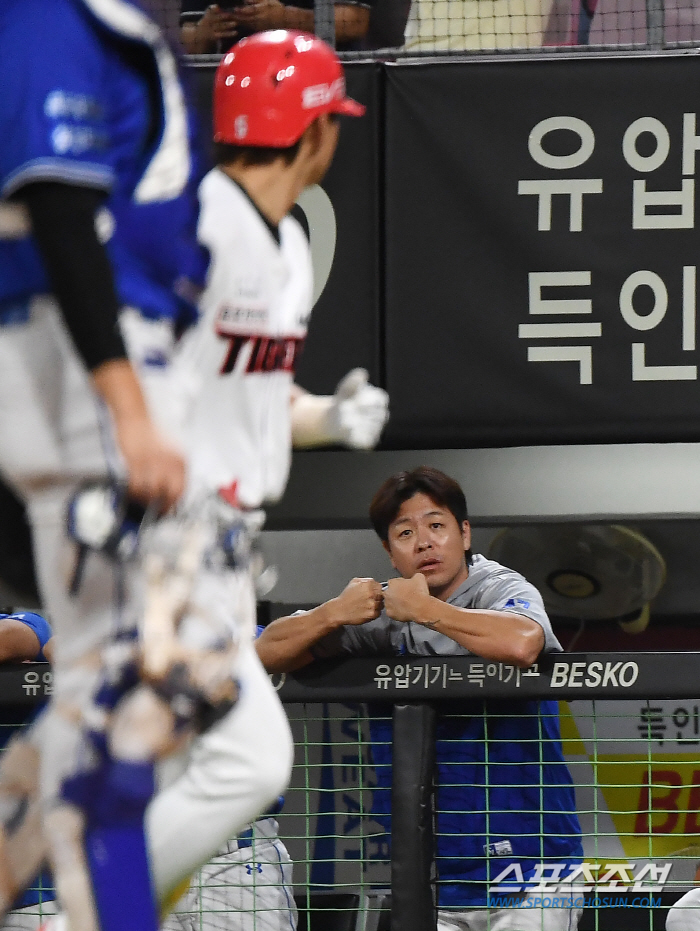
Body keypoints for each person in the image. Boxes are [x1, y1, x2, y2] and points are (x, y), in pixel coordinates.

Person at [257, 466, 583, 931]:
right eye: (405, 533)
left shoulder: (500, 587)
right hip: (431, 880)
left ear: (465, 534)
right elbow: (263, 652)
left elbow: (523, 643)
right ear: (390, 553)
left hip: (532, 871)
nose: (424, 542)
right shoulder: (381, 614)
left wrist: (426, 611)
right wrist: (331, 614)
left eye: (436, 525)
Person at [180, 1, 375, 54]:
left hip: (315, 78)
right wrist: (202, 33)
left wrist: (285, 19)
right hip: (233, 83)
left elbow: (355, 21)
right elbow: (187, 37)